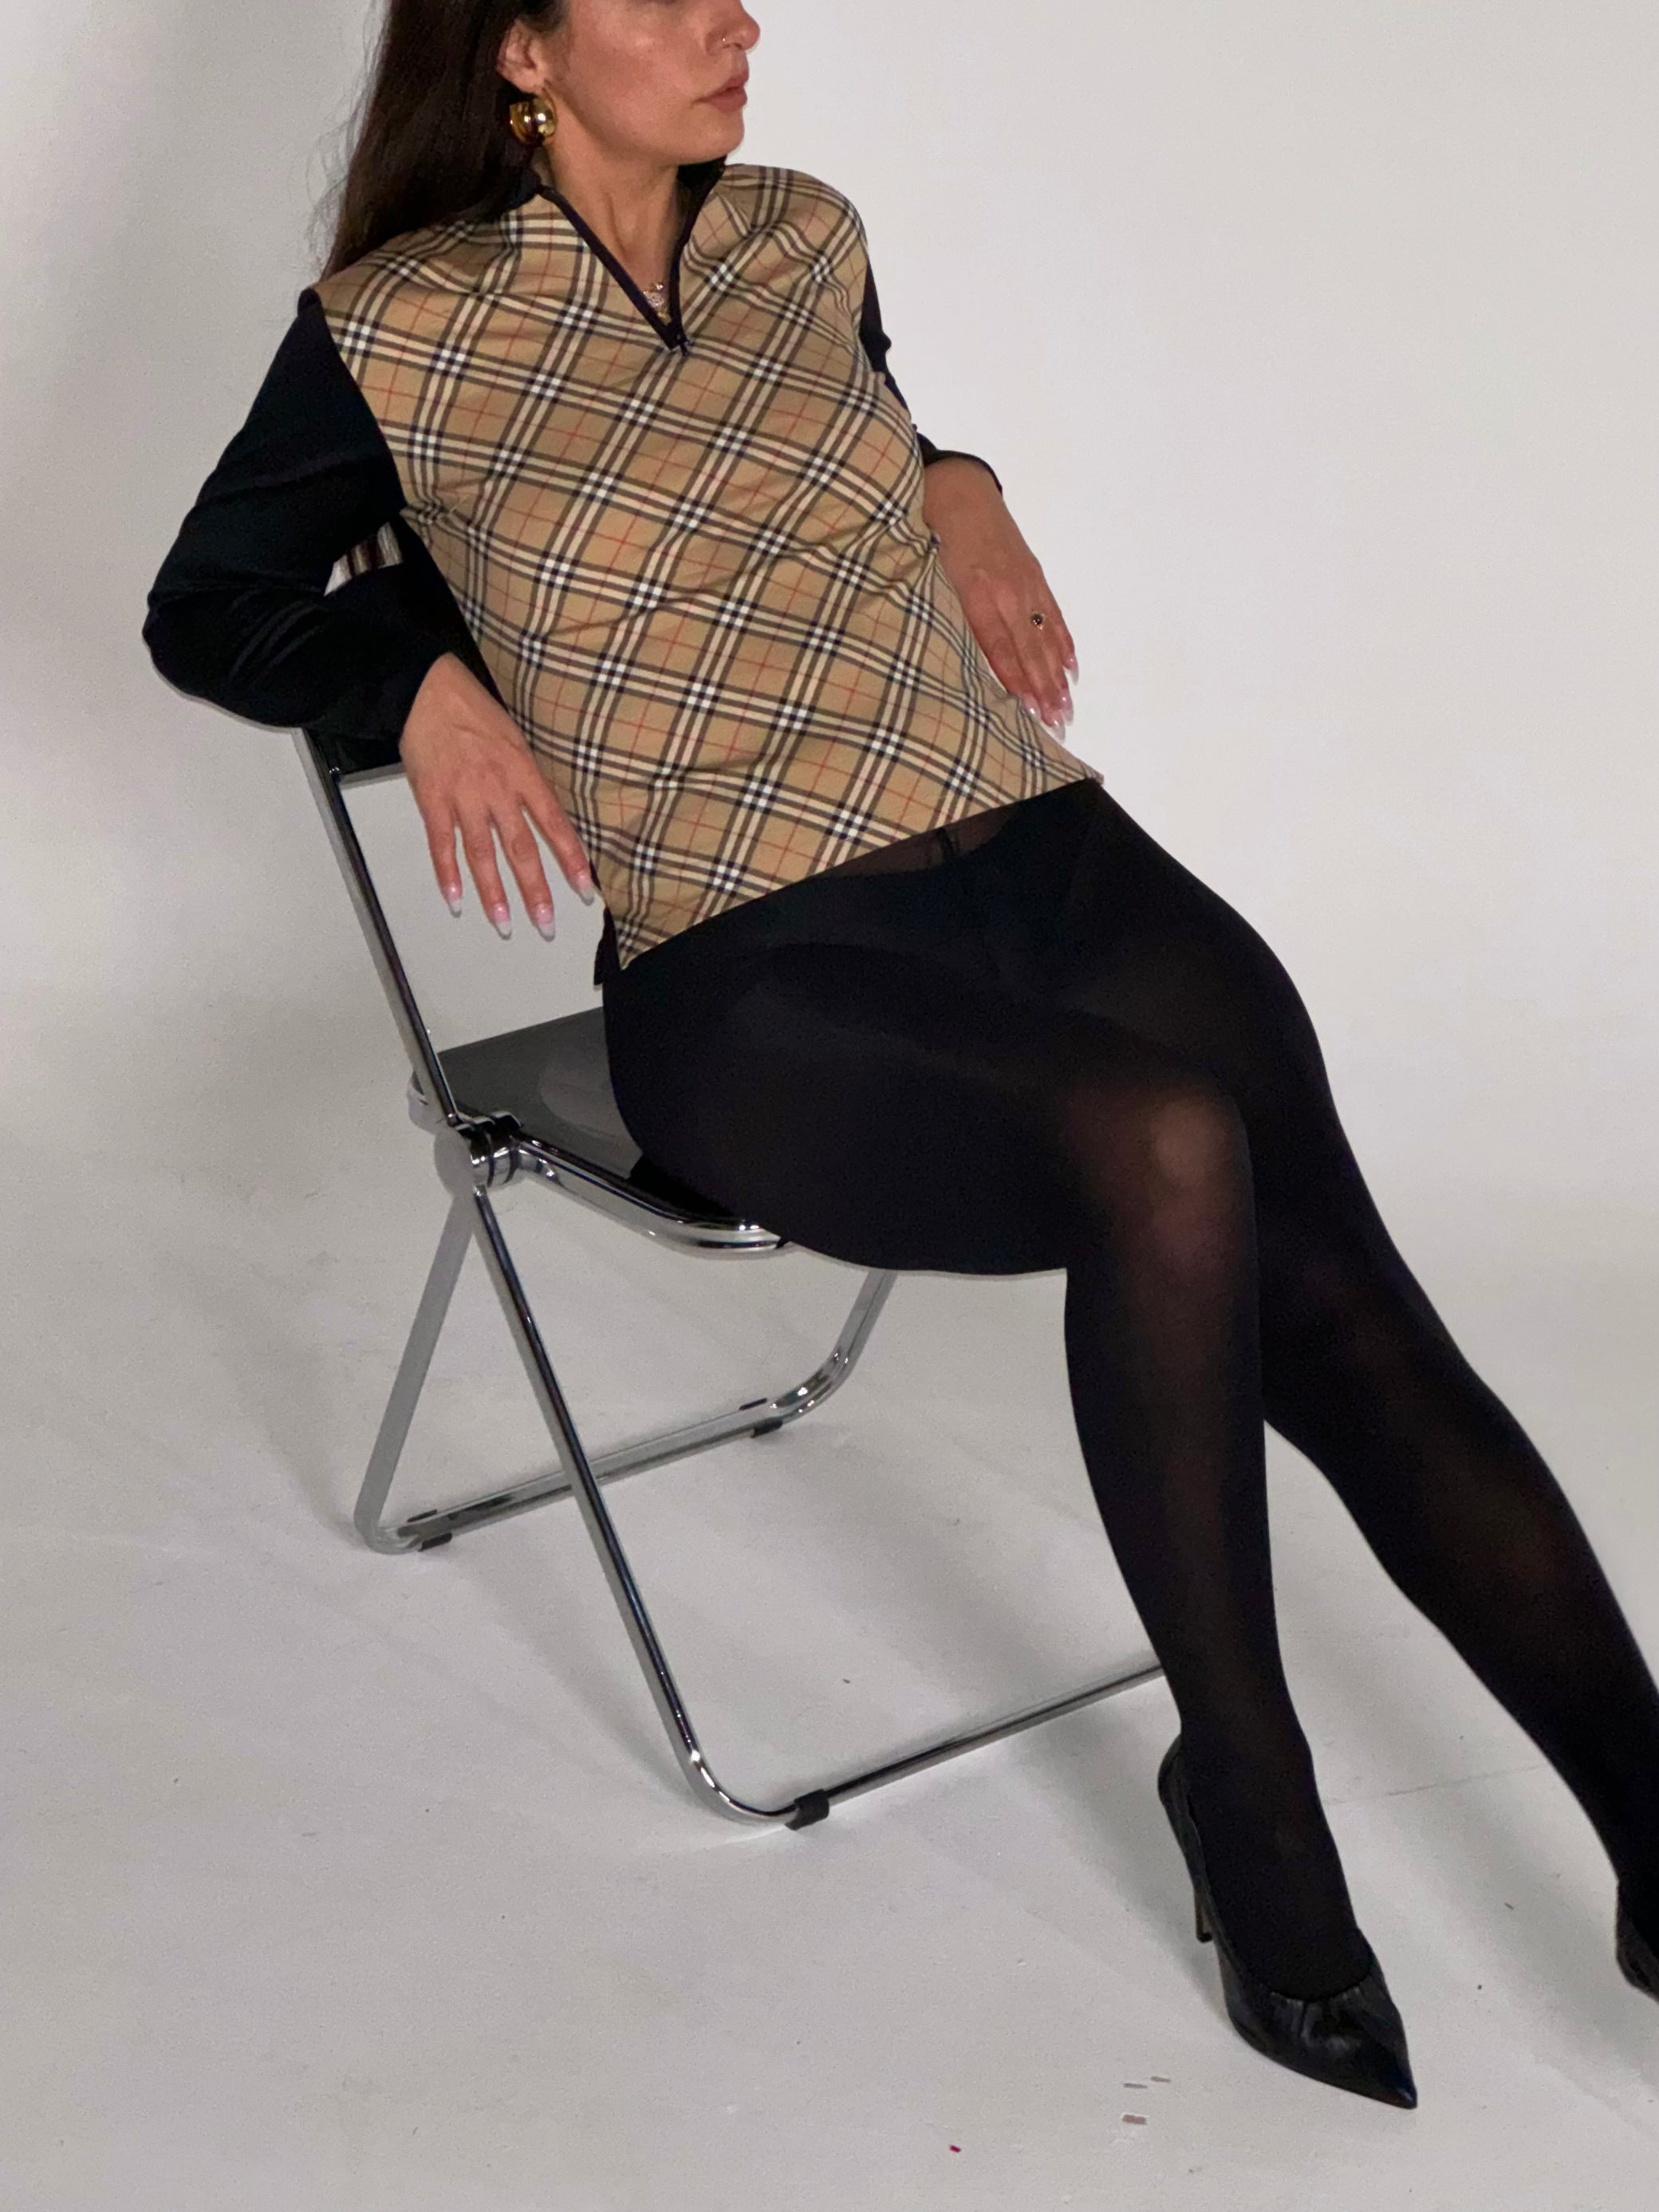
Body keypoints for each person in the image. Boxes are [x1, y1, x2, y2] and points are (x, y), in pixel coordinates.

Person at [144, 0, 1659, 2109]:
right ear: (524, 54)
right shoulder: (397, 327)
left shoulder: (801, 234)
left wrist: (960, 475)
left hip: (1037, 854)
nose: (734, 20)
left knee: (1347, 1301)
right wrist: (407, 679)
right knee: (1166, 1147)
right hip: (753, 969)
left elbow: (836, 447)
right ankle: (1253, 1801)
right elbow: (205, 601)